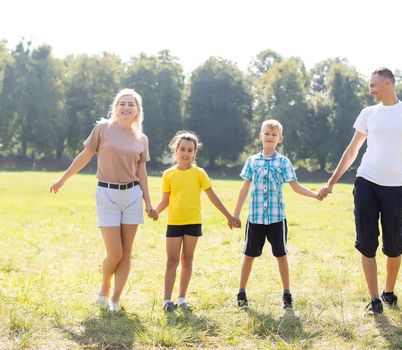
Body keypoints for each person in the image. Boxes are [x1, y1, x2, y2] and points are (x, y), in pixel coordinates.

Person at [319, 68, 402, 315]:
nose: (370, 89)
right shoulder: (368, 114)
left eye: (374, 85)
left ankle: (389, 291)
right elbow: (352, 151)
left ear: (388, 83)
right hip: (366, 183)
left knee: (394, 246)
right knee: (366, 243)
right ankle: (374, 300)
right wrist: (332, 181)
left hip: (396, 188)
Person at [50, 88, 154, 312]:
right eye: (122, 103)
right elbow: (85, 156)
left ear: (137, 110)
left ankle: (116, 300)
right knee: (114, 253)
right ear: (116, 107)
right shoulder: (102, 129)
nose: (126, 107)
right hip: (107, 194)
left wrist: (148, 202)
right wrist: (63, 179)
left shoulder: (142, 139)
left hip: (133, 196)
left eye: (131, 104)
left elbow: (142, 173)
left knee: (127, 251)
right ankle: (105, 286)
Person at [233, 119, 322, 310]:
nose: (270, 137)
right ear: (260, 136)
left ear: (280, 138)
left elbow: (295, 186)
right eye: (266, 133)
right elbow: (244, 189)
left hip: (276, 219)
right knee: (249, 255)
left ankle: (287, 294)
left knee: (281, 255)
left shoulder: (283, 162)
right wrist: (236, 214)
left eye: (274, 134)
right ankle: (241, 292)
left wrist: (314, 195)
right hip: (255, 218)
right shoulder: (252, 161)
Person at [149, 131, 241, 312]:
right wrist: (155, 211)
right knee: (171, 261)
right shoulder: (168, 174)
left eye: (190, 150)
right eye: (182, 149)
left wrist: (229, 216)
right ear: (176, 150)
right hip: (174, 223)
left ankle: (182, 298)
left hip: (193, 222)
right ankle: (167, 300)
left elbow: (213, 197)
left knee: (187, 259)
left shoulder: (200, 173)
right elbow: (165, 201)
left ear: (194, 153)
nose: (186, 153)